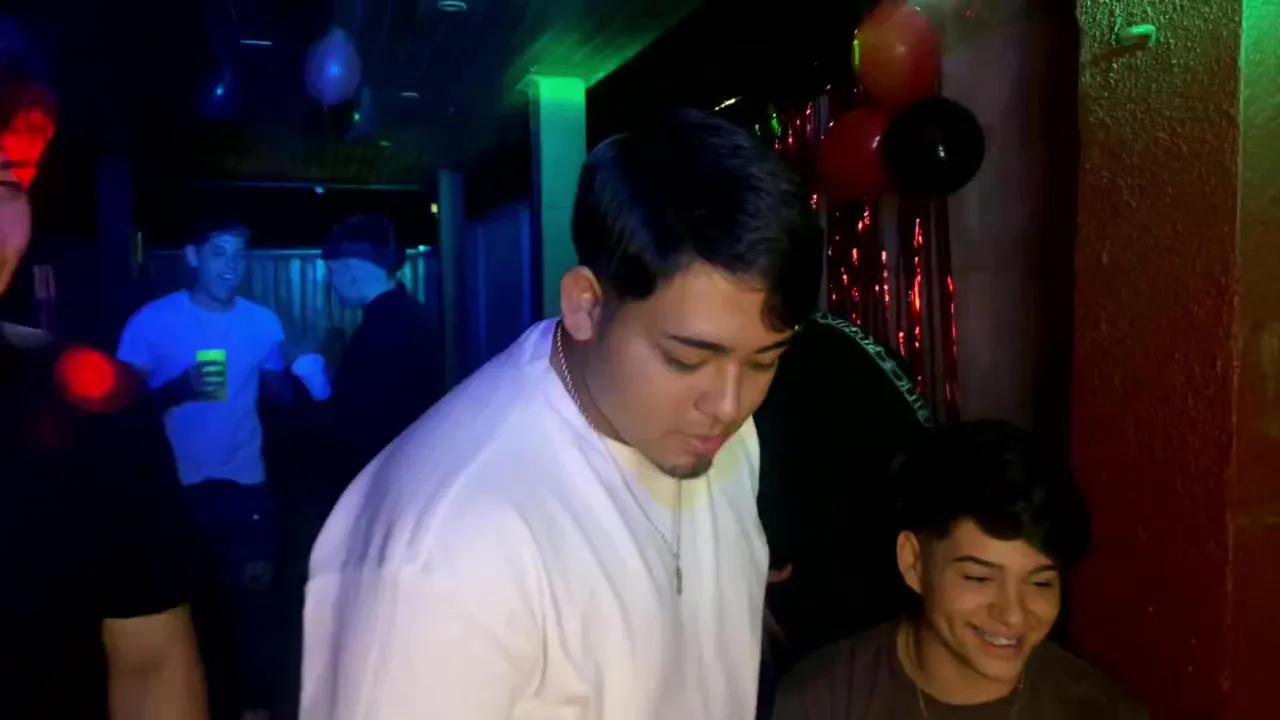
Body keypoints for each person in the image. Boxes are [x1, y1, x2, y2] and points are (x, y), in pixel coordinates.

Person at [301, 109, 821, 719]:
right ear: (585, 305)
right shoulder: (445, 555)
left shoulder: (723, 429)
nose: (730, 406)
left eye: (764, 361)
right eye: (686, 359)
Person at [0, 20, 207, 719]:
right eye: (220, 252)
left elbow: (152, 667)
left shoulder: (100, 423)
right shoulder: (152, 324)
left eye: (6, 182)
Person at [772, 420, 1146, 720]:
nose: (1013, 615)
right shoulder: (825, 700)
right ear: (913, 562)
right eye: (979, 578)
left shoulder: (1097, 709)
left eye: (1041, 583)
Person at [116, 223, 293, 719]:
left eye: (239, 254)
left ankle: (254, 710)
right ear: (193, 256)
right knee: (187, 612)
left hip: (245, 487)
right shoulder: (152, 321)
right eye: (218, 253)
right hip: (177, 492)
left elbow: (280, 395)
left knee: (254, 612)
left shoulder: (263, 322)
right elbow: (123, 409)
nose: (231, 265)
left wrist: (297, 373)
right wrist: (177, 389)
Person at [319, 213, 442, 481]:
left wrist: (319, 391)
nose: (331, 282)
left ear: (353, 270)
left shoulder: (385, 328)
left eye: (332, 271)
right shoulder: (404, 315)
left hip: (385, 476)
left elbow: (357, 416)